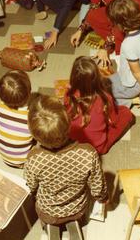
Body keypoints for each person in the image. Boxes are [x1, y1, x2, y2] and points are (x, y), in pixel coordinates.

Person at [24, 93, 108, 227]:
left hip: (47, 212)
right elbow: (98, 187)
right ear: (69, 125)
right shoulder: (88, 153)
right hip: (78, 210)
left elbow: (31, 185)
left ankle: (47, 226)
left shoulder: (33, 158)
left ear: (33, 134)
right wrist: (103, 198)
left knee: (40, 205)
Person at [64, 56, 134, 154]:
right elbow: (113, 120)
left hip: (74, 145)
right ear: (96, 78)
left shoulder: (68, 94)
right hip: (97, 149)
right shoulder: (105, 98)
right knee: (126, 113)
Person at [0, 70, 34, 167]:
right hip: (22, 161)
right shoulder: (30, 117)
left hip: (4, 157)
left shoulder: (0, 106)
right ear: (29, 93)